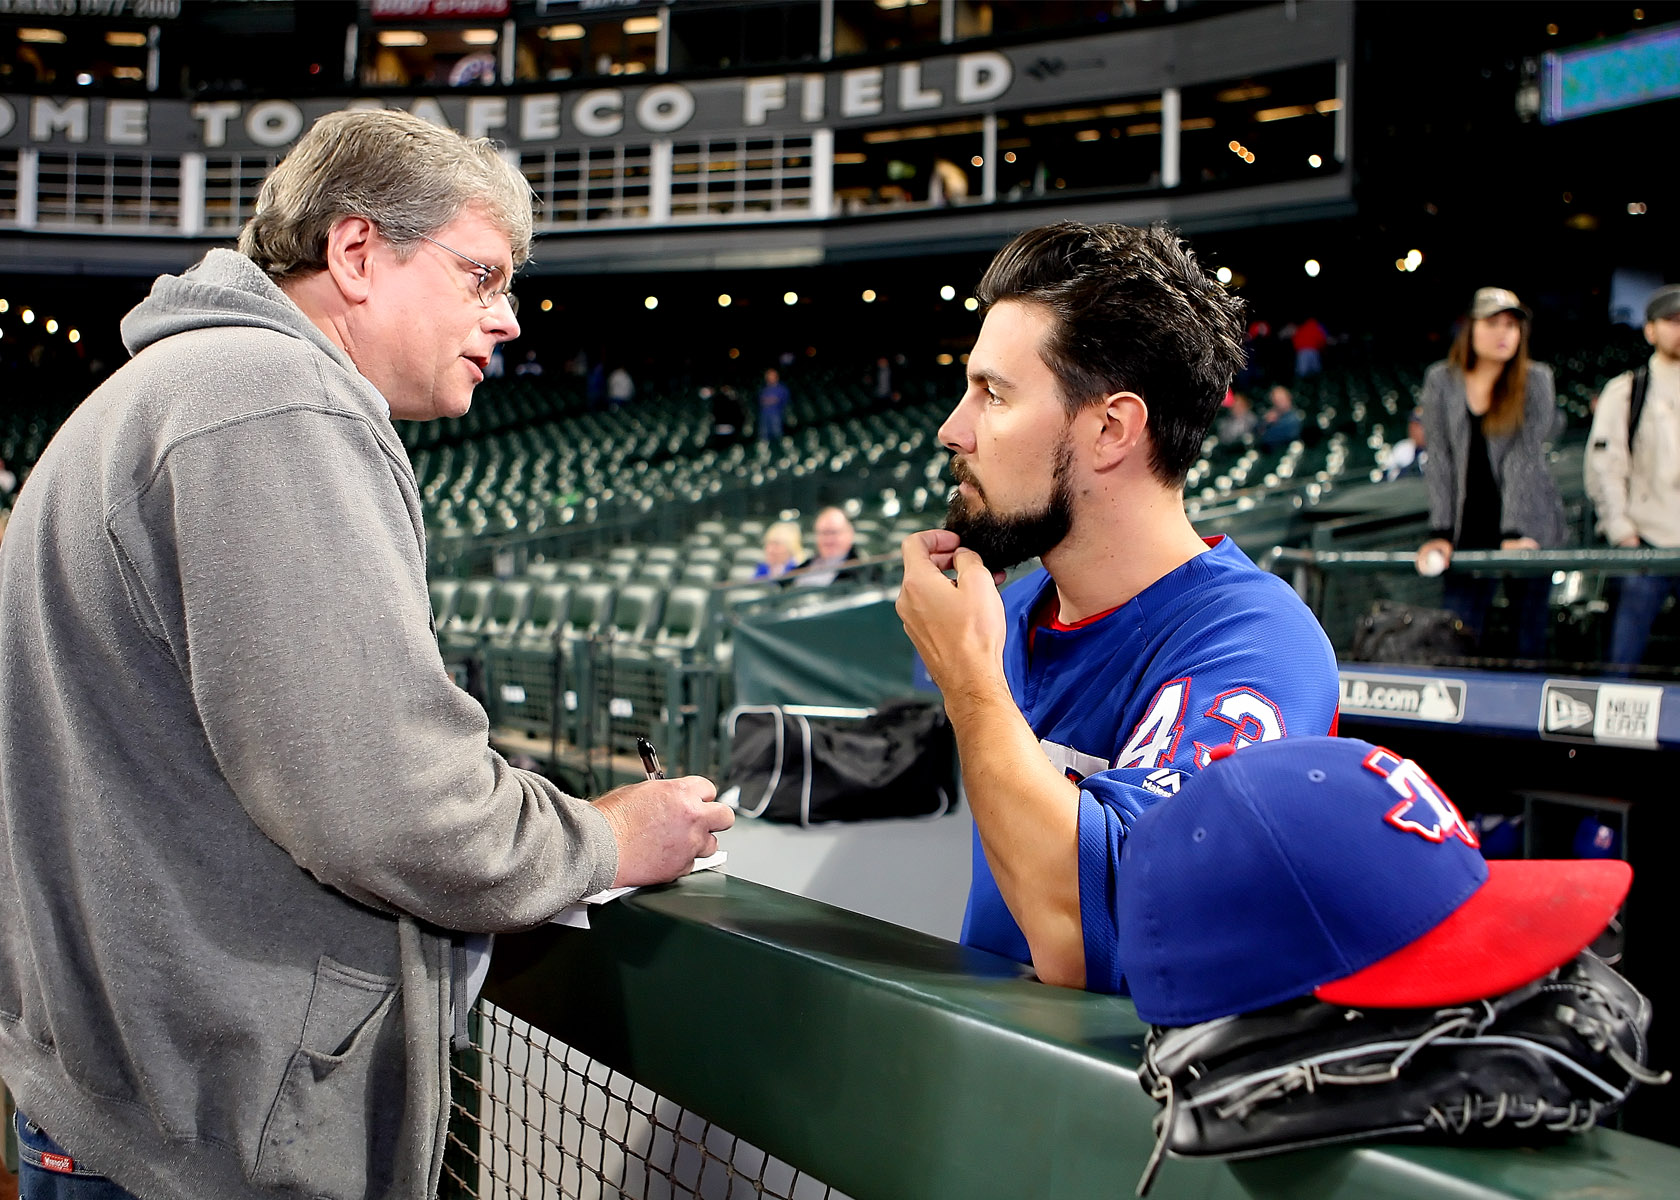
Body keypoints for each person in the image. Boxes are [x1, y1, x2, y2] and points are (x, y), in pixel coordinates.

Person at [0, 109, 732, 1200]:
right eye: (481, 277)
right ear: (355, 252)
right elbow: (391, 809)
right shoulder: (270, 398)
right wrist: (606, 838)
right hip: (199, 1143)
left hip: (117, 1108)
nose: (509, 319)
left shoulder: (168, 393)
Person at [896, 221, 1339, 994]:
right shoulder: (1015, 609)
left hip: (1134, 1104)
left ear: (1111, 428)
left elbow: (1093, 931)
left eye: (992, 394)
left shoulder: (1257, 645)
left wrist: (971, 686)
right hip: (986, 1079)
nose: (952, 430)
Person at [1415, 287, 1565, 661]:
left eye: (1512, 326)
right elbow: (1441, 460)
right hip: (1468, 530)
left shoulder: (1537, 379)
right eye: (1493, 323)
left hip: (1529, 526)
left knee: (1526, 641)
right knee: (1457, 637)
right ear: (1471, 328)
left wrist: (1516, 532)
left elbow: (1525, 457)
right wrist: (1441, 533)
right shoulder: (1441, 380)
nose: (1504, 333)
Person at [1584, 283, 1680, 672]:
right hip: (1646, 544)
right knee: (1623, 659)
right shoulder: (1628, 389)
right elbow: (1605, 466)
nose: (1679, 329)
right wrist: (1623, 531)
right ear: (1650, 329)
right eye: (1670, 321)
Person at [795, 506, 866, 587]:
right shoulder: (802, 568)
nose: (828, 539)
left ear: (850, 534)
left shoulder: (864, 572)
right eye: (823, 533)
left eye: (834, 532)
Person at [1383, 408, 1428, 480]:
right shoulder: (1403, 449)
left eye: (1418, 425)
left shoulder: (1440, 450)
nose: (1412, 429)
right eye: (1411, 424)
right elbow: (1390, 478)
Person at [1258, 383, 1303, 449]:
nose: (1280, 402)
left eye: (1281, 398)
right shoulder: (1274, 417)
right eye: (1276, 400)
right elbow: (1258, 430)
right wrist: (1267, 422)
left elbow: (1267, 438)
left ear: (1289, 397)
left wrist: (1267, 429)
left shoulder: (1294, 416)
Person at [1290, 314, 1327, 378]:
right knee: (1316, 369)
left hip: (1302, 351)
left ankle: (1301, 384)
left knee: (1302, 371)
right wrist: (1321, 347)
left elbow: (1296, 338)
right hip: (1313, 350)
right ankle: (1318, 383)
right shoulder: (1318, 326)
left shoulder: (1302, 327)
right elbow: (1322, 338)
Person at [758, 367, 790, 441]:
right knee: (763, 436)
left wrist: (770, 401)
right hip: (764, 416)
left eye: (772, 375)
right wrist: (769, 400)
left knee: (777, 434)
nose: (770, 377)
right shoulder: (764, 389)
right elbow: (761, 401)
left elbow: (779, 400)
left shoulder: (781, 388)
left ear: (776, 376)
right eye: (768, 376)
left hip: (776, 415)